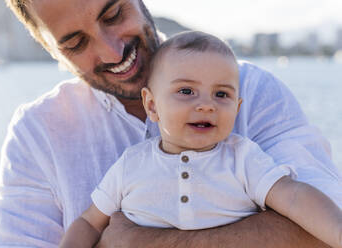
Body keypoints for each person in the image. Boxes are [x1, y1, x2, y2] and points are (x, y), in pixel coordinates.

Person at [0, 0, 341, 247]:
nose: (112, 52)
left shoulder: (253, 94)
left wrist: (137, 243)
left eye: (113, 14)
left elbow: (323, 221)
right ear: (52, 52)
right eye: (77, 43)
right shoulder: (37, 134)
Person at [59, 31, 342, 248]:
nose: (207, 105)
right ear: (153, 105)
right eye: (186, 91)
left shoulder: (243, 158)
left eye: (222, 94)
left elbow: (293, 197)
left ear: (237, 108)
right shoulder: (131, 165)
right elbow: (89, 222)